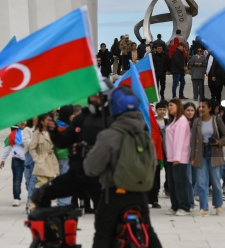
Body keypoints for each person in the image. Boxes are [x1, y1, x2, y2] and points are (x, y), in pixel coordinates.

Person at [83, 85, 162, 248]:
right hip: (140, 195)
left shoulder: (109, 135)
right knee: (148, 231)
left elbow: (91, 168)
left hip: (113, 194)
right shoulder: (143, 135)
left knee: (102, 235)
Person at [32, 94, 113, 213]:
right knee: (41, 194)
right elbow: (63, 141)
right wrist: (54, 130)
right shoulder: (82, 118)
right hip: (78, 173)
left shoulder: (112, 119)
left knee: (105, 214)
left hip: (101, 177)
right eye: (92, 97)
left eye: (98, 97)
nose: (94, 100)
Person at [190, 99, 225, 216]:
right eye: (200, 107)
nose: (200, 109)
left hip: (214, 152)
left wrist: (219, 142)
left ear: (209, 109)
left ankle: (218, 205)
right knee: (202, 182)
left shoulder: (216, 120)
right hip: (200, 153)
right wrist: (192, 157)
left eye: (203, 107)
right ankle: (204, 208)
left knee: (216, 181)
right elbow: (193, 141)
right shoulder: (196, 121)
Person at [164, 99, 191, 215]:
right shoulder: (174, 120)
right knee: (171, 183)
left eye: (171, 106)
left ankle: (184, 206)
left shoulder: (181, 121)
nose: (169, 108)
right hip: (170, 157)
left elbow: (179, 141)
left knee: (179, 183)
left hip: (178, 158)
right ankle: (174, 205)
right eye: (168, 106)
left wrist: (177, 157)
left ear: (178, 106)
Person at [28, 113, 59, 212]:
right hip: (42, 161)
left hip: (52, 160)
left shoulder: (53, 131)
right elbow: (32, 148)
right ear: (42, 121)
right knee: (41, 185)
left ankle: (45, 206)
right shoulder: (37, 133)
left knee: (49, 187)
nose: (49, 122)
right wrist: (37, 159)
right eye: (47, 120)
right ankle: (32, 207)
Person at [0, 122, 27, 207]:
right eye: (20, 122)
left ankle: (32, 196)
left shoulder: (30, 132)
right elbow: (7, 147)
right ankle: (16, 198)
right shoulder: (12, 135)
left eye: (25, 121)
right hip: (17, 159)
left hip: (28, 160)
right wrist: (3, 159)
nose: (23, 123)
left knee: (30, 180)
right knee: (17, 180)